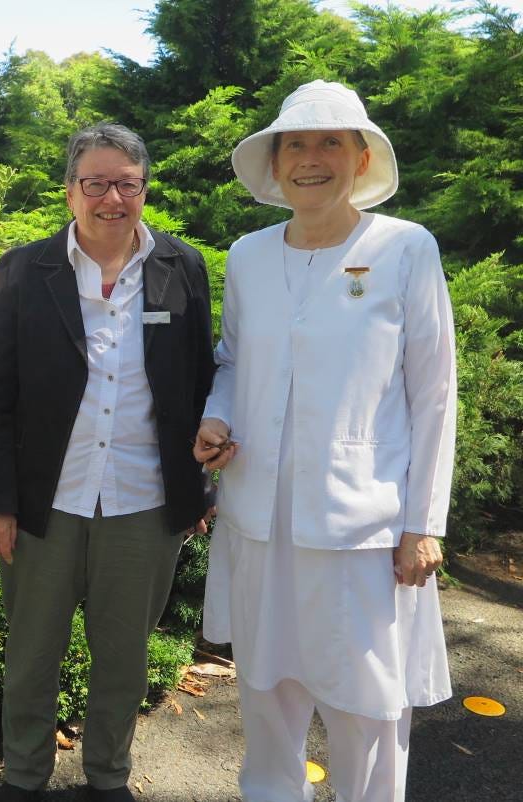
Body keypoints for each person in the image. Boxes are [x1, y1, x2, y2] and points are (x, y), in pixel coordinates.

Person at [194, 80, 455, 802]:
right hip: (260, 520)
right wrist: (217, 419)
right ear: (275, 164)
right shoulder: (247, 255)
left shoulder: (405, 248)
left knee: (365, 704)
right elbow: (234, 361)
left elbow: (434, 394)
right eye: (295, 145)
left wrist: (422, 524)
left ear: (362, 157)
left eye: (330, 142)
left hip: (361, 527)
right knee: (265, 693)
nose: (311, 159)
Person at [0, 123, 216, 802]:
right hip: (46, 502)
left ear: (144, 188)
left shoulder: (181, 267)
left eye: (127, 183)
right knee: (30, 657)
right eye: (96, 183)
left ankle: (107, 778)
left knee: (124, 662)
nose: (113, 197)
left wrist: (198, 486)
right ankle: (23, 778)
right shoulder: (25, 269)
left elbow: (198, 382)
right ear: (70, 191)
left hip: (143, 501)